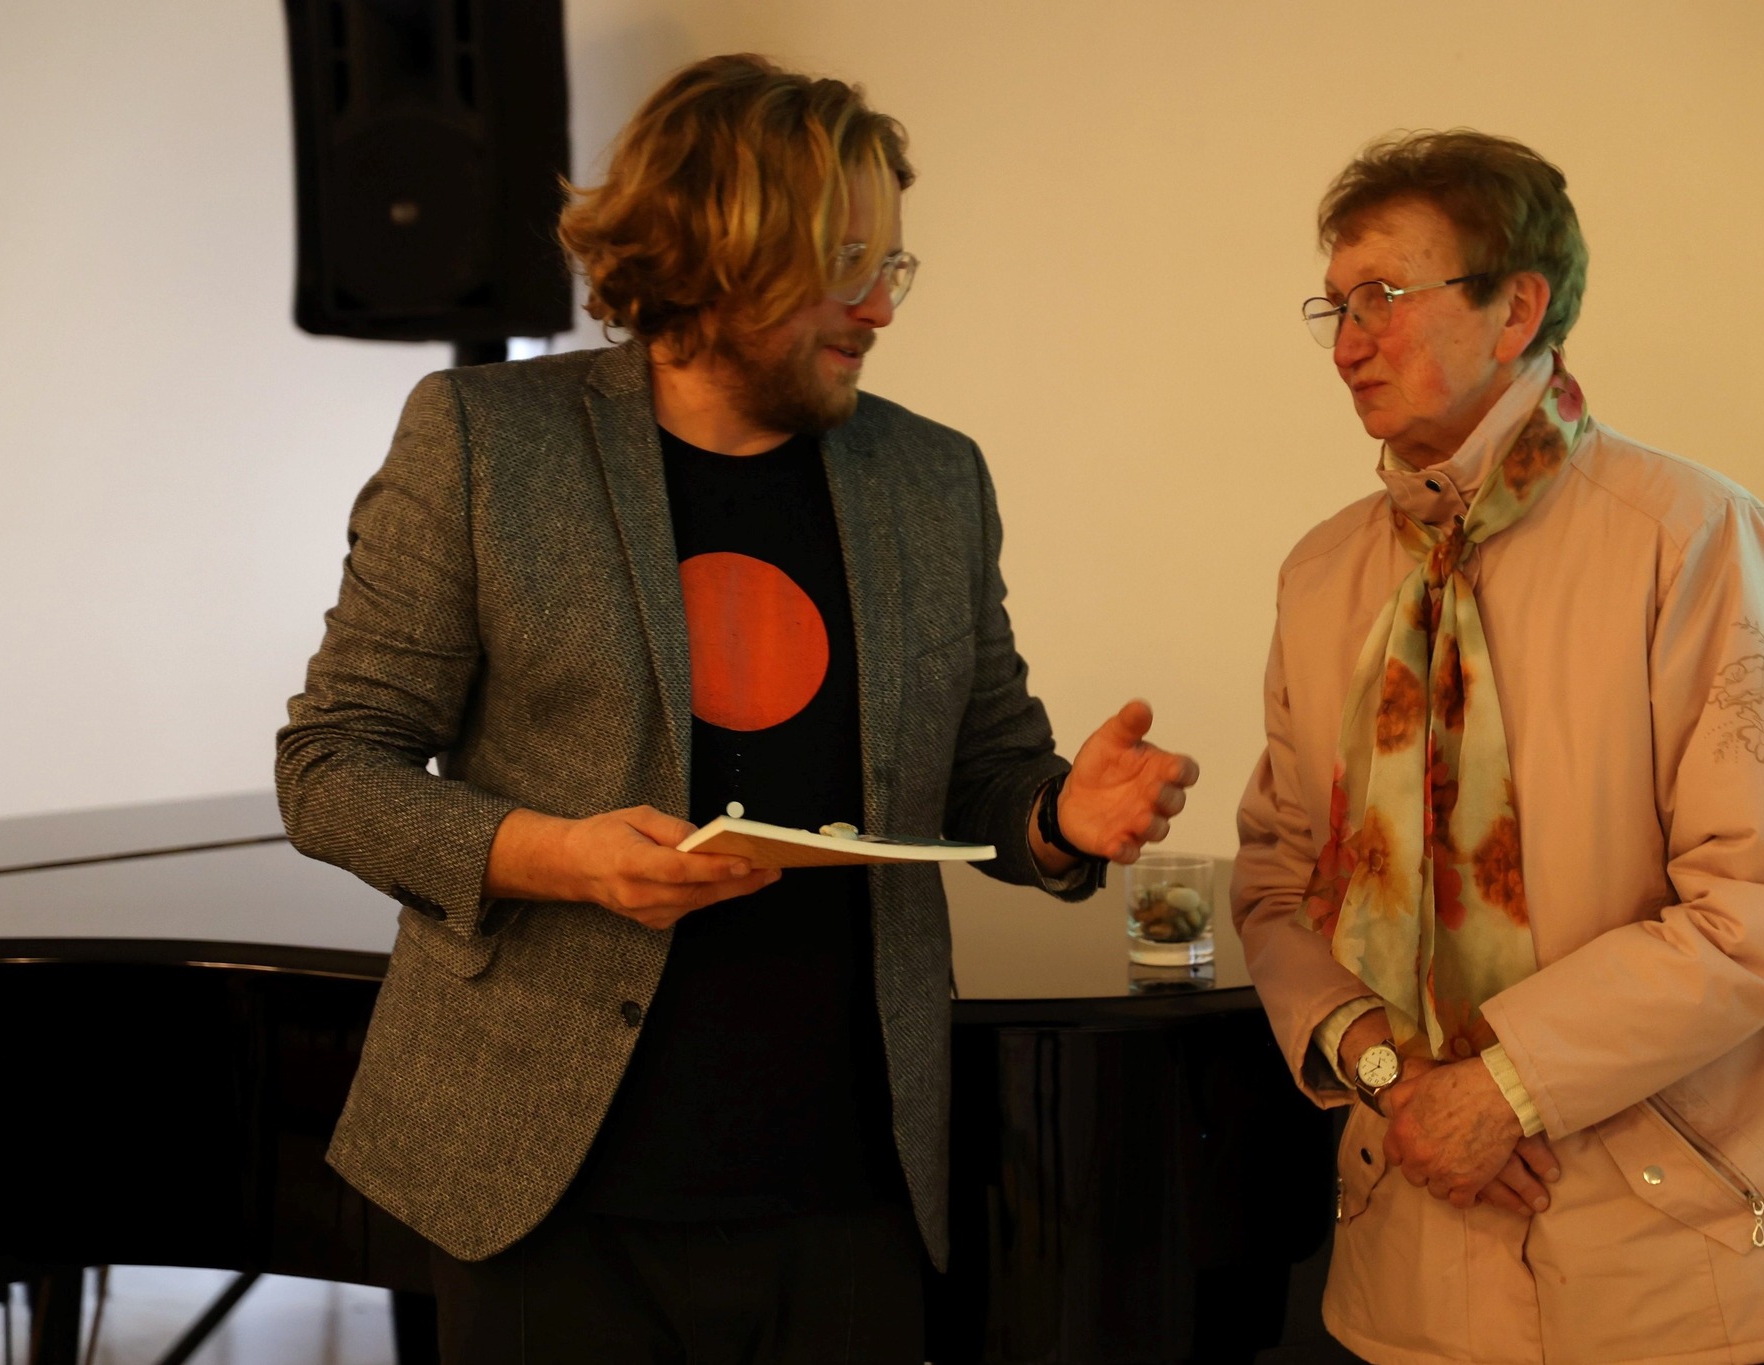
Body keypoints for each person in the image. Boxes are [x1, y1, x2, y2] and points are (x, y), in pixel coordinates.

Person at [276, 54, 1198, 1364]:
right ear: (717, 253)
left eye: (892, 265)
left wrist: (1061, 816)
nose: (880, 308)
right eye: (845, 266)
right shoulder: (487, 441)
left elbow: (983, 775)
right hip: (548, 1190)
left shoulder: (933, 478)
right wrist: (563, 858)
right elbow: (330, 767)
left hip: (849, 1185)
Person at [1232, 130, 1764, 1365]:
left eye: (1381, 296)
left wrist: (1502, 1089)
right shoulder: (1319, 576)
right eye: (1332, 306)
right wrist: (1389, 1077)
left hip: (1697, 1270)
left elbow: (1759, 900)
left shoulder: (1691, 538)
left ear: (1515, 309)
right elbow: (1281, 887)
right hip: (1414, 1271)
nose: (1344, 344)